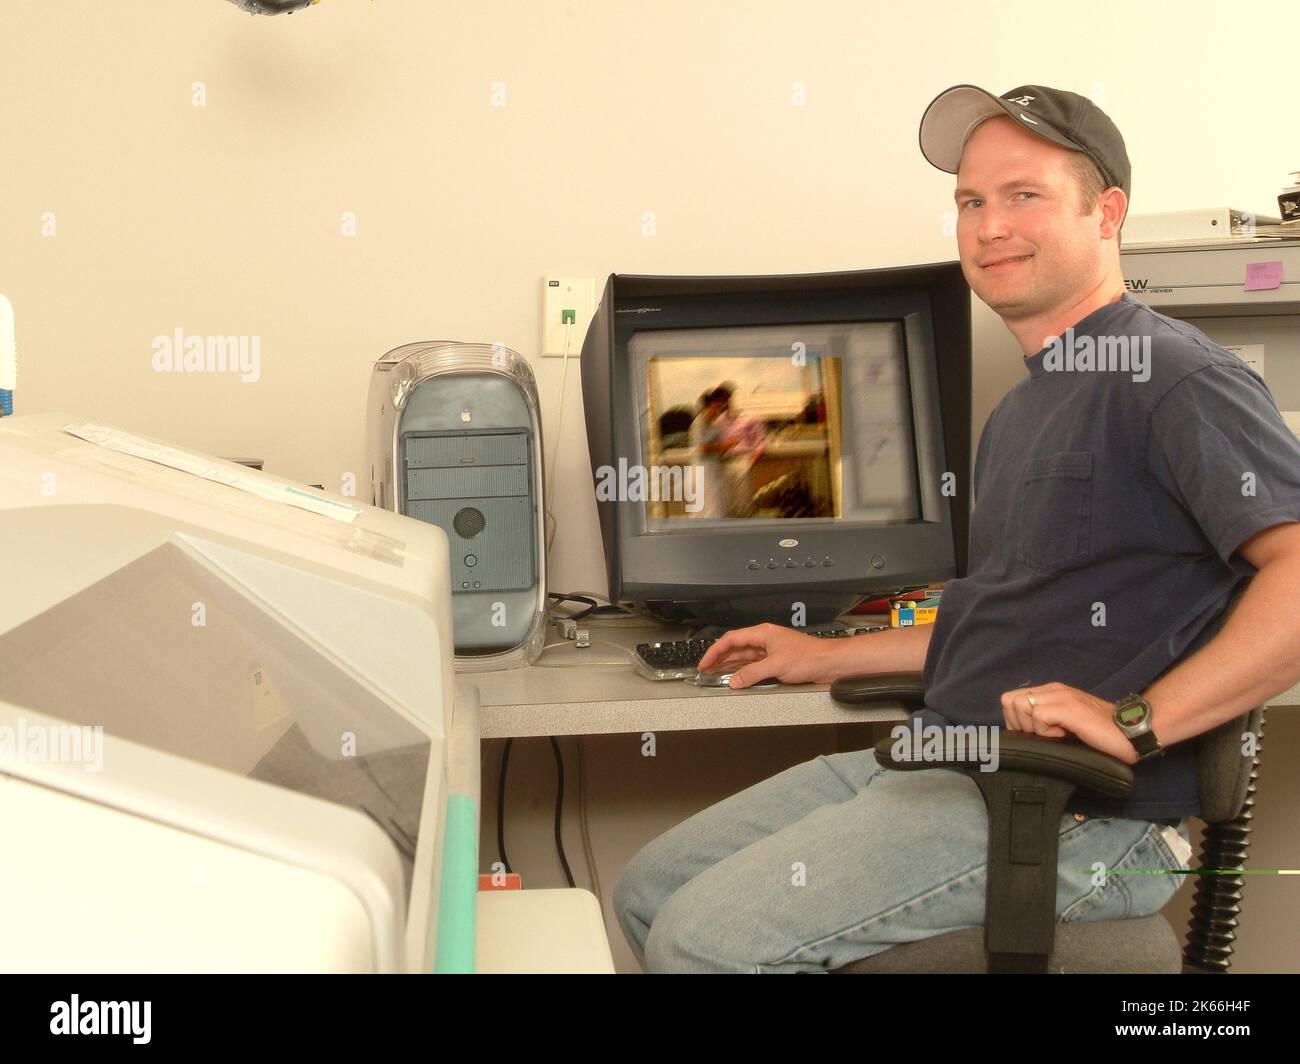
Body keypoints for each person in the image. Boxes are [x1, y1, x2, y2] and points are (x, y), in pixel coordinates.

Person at [612, 84, 1300, 973]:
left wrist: (1140, 717)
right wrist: (824, 654)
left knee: (703, 942)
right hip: (957, 762)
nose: (988, 226)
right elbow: (1011, 622)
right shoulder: (1023, 409)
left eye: (1024, 196)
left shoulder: (1174, 376)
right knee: (645, 890)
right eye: (971, 202)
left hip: (1080, 817)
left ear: (1107, 213)